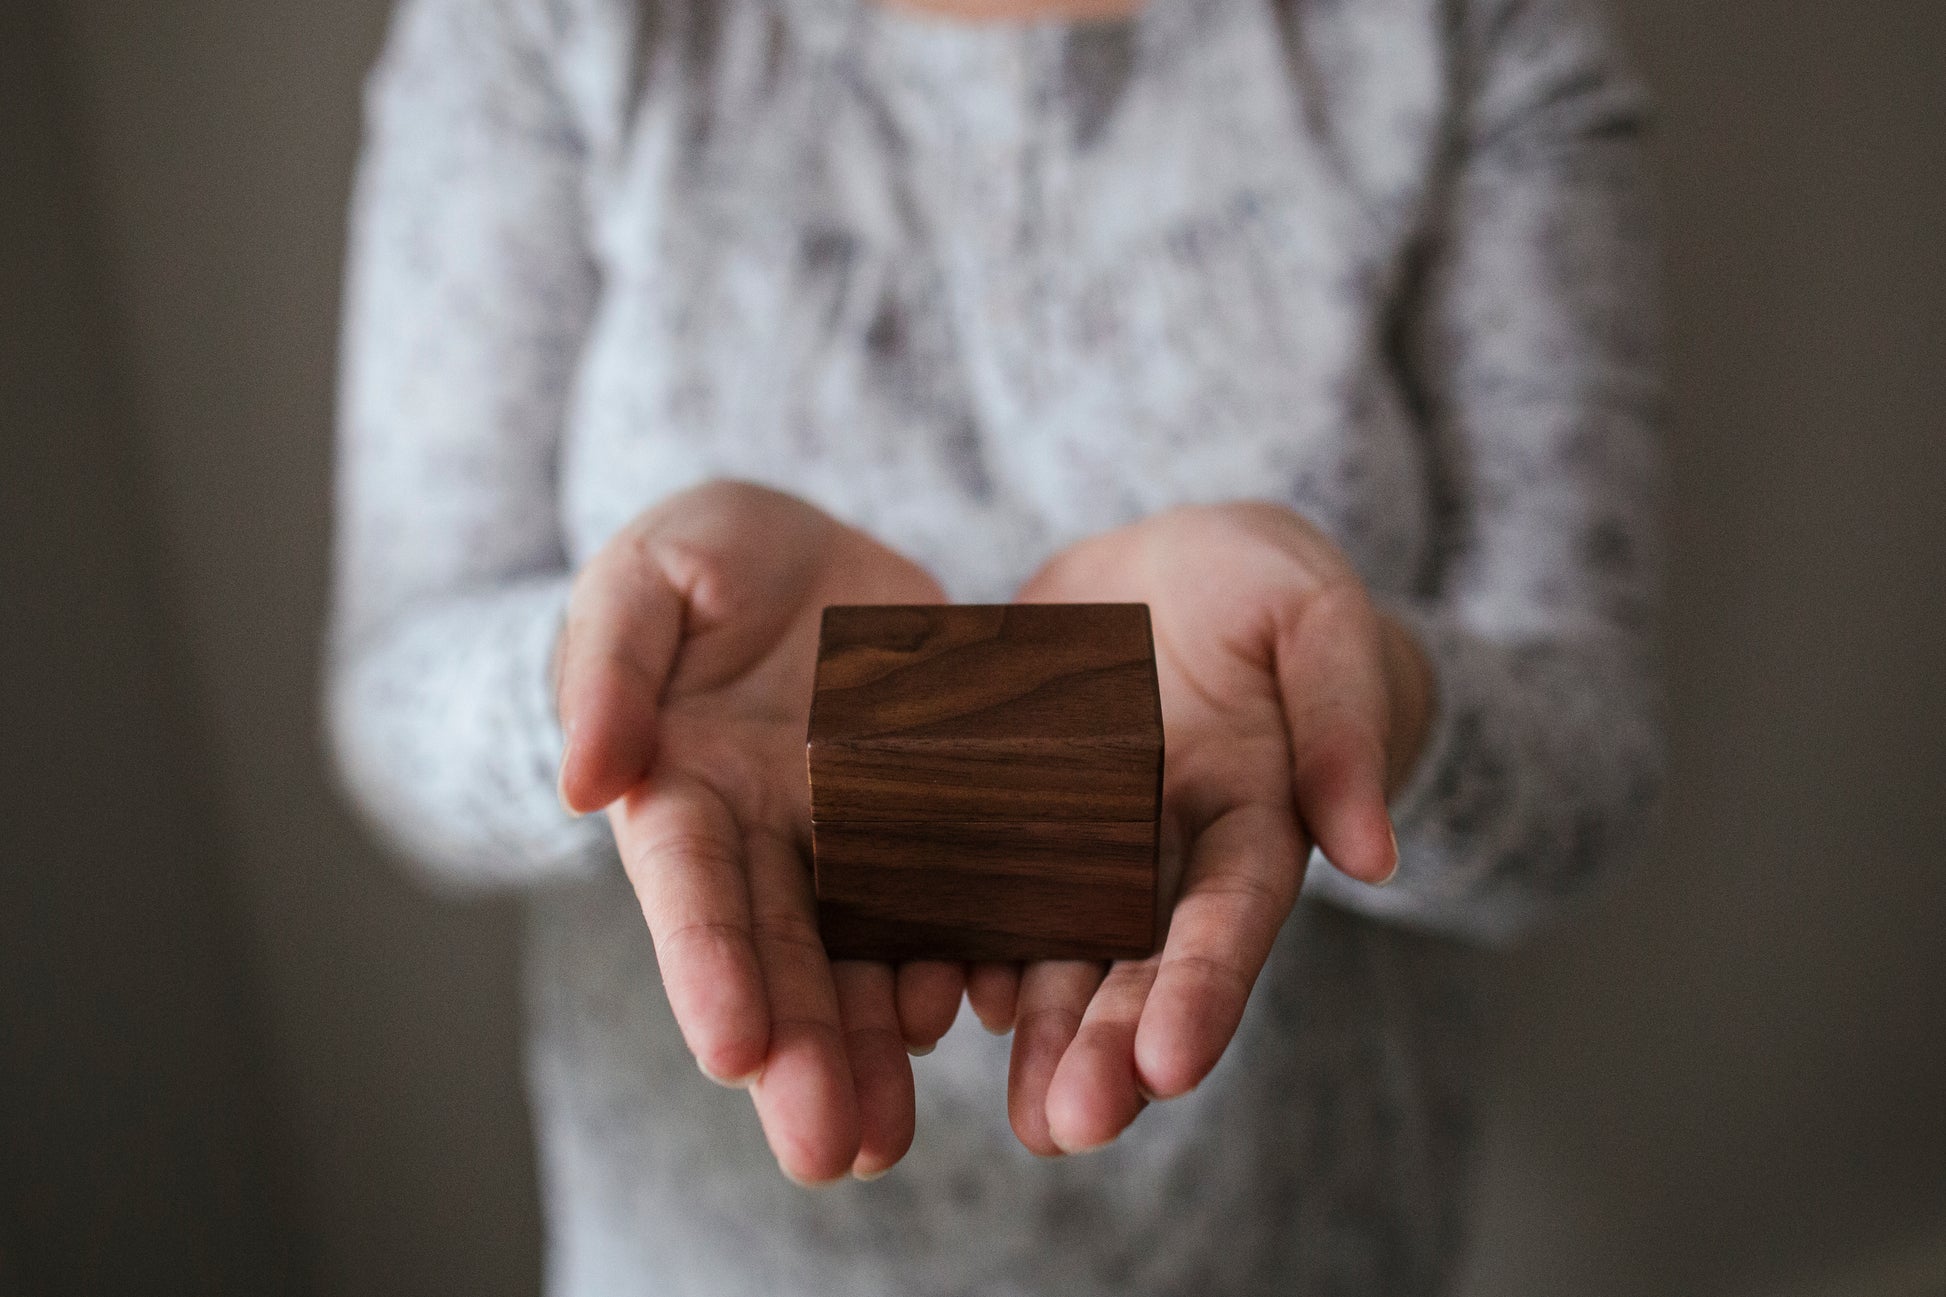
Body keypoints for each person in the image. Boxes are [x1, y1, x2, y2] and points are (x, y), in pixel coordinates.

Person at [324, 0, 1664, 1289]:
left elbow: (1588, 762)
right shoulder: (547, 21)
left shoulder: (1459, 25)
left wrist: (1354, 692)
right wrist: (605, 669)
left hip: (1294, 1243)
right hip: (715, 1257)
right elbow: (396, 696)